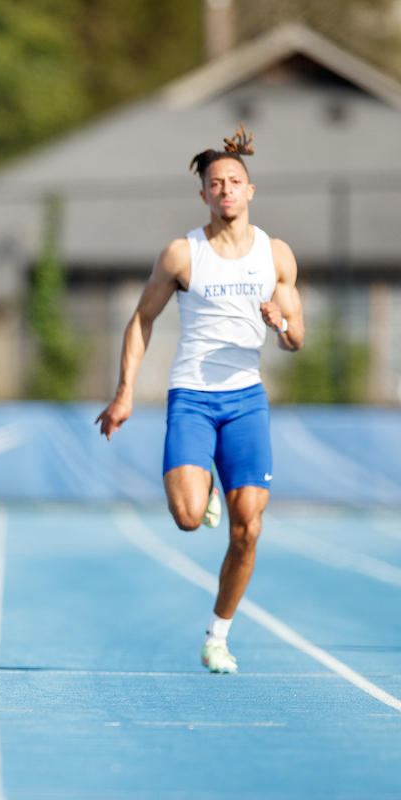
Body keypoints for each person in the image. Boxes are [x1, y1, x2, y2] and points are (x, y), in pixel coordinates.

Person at [95, 126, 304, 674]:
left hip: (246, 401)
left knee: (249, 529)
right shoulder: (181, 254)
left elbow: (297, 335)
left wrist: (281, 324)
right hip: (191, 397)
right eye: (216, 183)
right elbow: (143, 318)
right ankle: (202, 488)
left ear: (250, 190)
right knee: (188, 517)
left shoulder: (275, 255)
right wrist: (123, 394)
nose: (226, 190)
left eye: (235, 181)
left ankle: (218, 633)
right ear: (204, 194)